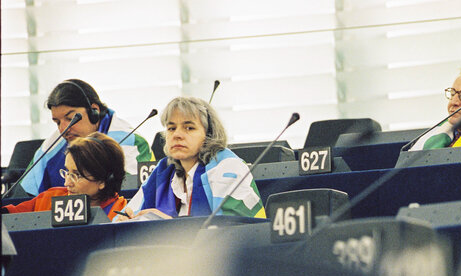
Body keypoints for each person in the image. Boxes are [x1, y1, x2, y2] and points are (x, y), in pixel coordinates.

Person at [116, 97, 265, 221]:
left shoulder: (228, 168)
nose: (177, 135)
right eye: (171, 128)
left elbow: (232, 231)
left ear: (209, 134)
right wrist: (126, 221)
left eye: (189, 128)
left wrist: (170, 226)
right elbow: (126, 215)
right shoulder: (163, 171)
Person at [17, 79, 152, 196]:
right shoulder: (52, 146)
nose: (63, 130)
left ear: (94, 111)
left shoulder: (132, 142)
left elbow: (138, 196)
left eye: (71, 118)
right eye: (57, 122)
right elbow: (23, 194)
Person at [2, 133, 128, 220]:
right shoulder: (48, 199)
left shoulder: (122, 213)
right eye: (67, 172)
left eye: (77, 175)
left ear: (103, 180)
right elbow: (10, 217)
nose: (67, 183)